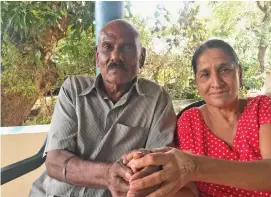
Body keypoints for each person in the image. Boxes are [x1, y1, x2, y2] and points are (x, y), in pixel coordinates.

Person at [29, 19, 176, 197]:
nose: (115, 56)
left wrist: (144, 171)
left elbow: (159, 164)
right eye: (107, 47)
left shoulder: (156, 99)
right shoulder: (73, 90)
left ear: (141, 58)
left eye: (127, 47)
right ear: (97, 56)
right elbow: (55, 163)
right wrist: (107, 175)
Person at [124, 39, 271, 197]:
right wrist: (148, 185)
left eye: (224, 70)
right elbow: (191, 190)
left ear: (239, 71)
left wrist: (195, 166)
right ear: (197, 81)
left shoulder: (262, 107)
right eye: (205, 74)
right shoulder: (190, 121)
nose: (216, 83)